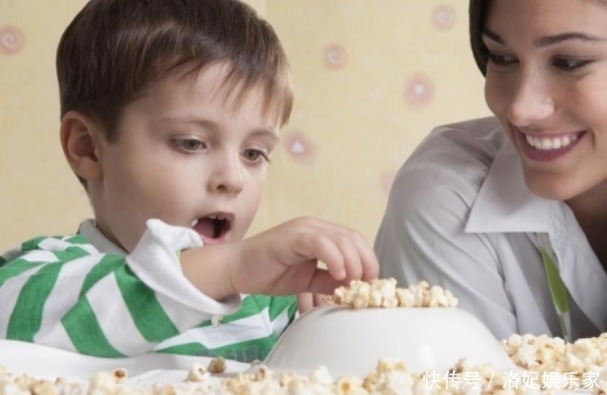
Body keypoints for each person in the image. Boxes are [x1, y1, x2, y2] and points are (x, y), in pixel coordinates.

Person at [0, 0, 378, 362]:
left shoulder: (273, 309)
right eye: (191, 143)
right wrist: (228, 269)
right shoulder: (37, 279)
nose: (233, 178)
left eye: (253, 153)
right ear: (89, 148)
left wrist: (334, 332)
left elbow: (421, 378)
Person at [375, 0, 607, 342]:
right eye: (501, 57)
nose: (520, 109)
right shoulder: (446, 195)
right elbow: (460, 382)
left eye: (569, 63)